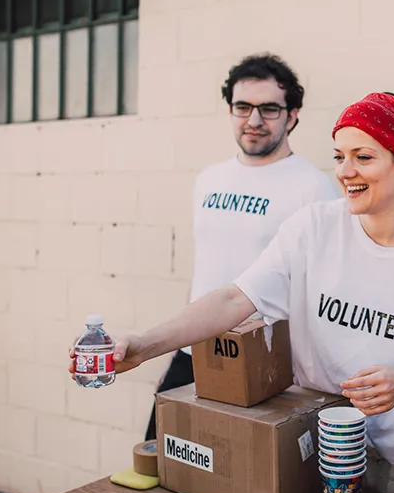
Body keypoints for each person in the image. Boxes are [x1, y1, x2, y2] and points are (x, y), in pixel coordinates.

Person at [71, 92, 394, 493]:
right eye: (339, 156)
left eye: (363, 157)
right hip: (313, 446)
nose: (346, 171)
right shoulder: (313, 228)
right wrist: (144, 345)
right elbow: (235, 300)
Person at [144, 53, 339, 440]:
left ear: (292, 115)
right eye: (243, 107)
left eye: (269, 109)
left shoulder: (314, 188)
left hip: (263, 363)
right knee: (160, 458)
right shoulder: (209, 179)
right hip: (194, 348)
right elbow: (207, 266)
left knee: (237, 479)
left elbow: (322, 286)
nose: (253, 121)